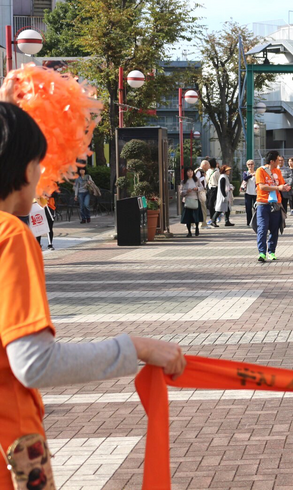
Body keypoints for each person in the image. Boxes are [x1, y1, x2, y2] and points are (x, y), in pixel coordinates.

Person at [0, 101, 186, 490]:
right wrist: (135, 347)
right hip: (11, 444)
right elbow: (33, 363)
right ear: (25, 166)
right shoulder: (10, 236)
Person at [255, 150, 289, 262]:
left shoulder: (277, 171)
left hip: (276, 204)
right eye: (277, 160)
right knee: (262, 228)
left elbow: (281, 184)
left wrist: (284, 187)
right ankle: (262, 252)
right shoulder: (260, 171)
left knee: (275, 229)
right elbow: (262, 187)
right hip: (263, 204)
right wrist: (277, 188)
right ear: (272, 161)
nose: (279, 162)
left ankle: (272, 252)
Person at [180, 167, 204, 237]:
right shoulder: (183, 181)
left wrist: (197, 189)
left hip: (195, 199)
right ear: (186, 173)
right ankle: (189, 232)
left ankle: (197, 228)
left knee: (196, 216)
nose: (190, 173)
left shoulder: (196, 180)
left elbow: (202, 187)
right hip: (187, 201)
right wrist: (186, 191)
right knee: (188, 218)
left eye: (191, 171)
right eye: (188, 171)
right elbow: (181, 192)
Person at [241, 159, 257, 227]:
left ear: (254, 165)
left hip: (256, 193)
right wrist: (252, 175)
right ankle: (249, 222)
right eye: (249, 164)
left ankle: (256, 222)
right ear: (247, 165)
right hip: (248, 193)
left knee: (256, 208)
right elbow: (245, 178)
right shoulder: (246, 173)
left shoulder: (257, 172)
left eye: (252, 164)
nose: (250, 166)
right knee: (248, 208)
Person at [195, 160, 210, 229]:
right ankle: (203, 224)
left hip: (200, 192)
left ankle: (199, 224)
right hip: (200, 192)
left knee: (199, 208)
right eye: (208, 165)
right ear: (205, 165)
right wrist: (204, 177)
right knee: (203, 208)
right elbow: (197, 180)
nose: (209, 167)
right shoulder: (200, 171)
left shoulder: (199, 171)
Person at [205, 157, 220, 224]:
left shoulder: (217, 172)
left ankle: (213, 219)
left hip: (215, 188)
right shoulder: (207, 171)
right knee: (208, 204)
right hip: (209, 188)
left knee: (211, 204)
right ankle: (214, 217)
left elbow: (219, 181)